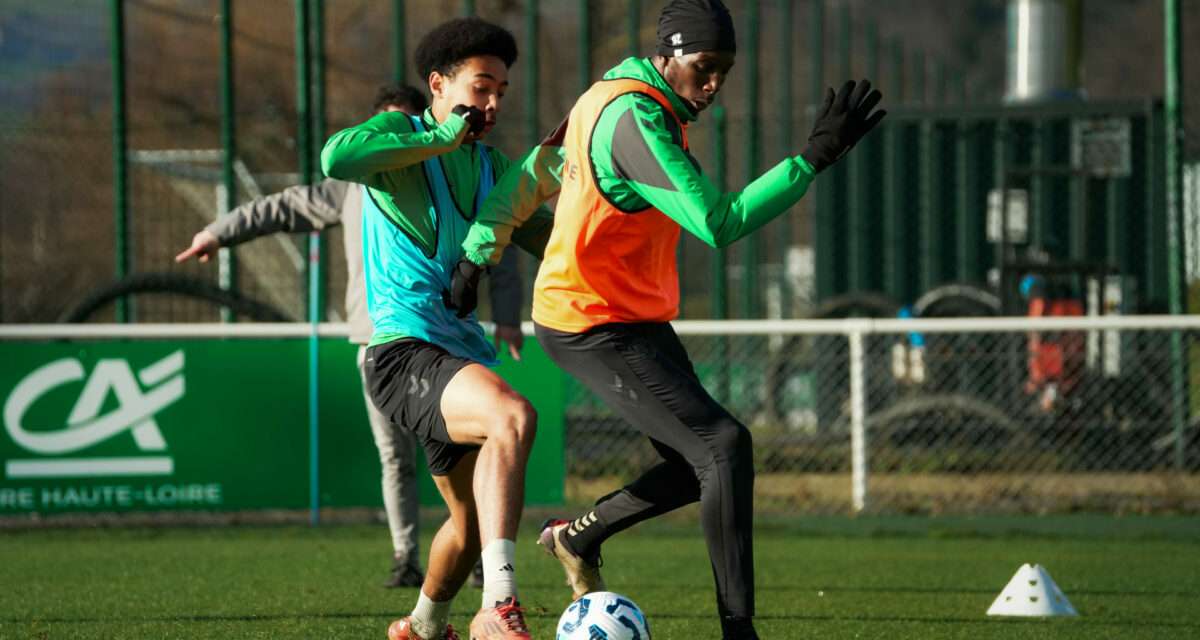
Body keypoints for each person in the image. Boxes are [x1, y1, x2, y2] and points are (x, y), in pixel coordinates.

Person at [451, 1, 885, 639]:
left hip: (630, 316)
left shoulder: (611, 92)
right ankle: (738, 629)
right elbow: (719, 221)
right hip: (585, 319)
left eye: (724, 72)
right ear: (668, 56)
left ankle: (578, 537)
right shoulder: (635, 121)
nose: (712, 84)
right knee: (725, 445)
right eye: (703, 67)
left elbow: (534, 171)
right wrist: (811, 159)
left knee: (699, 463)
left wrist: (477, 256)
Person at [175, 83, 524, 592]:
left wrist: (510, 316)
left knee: (468, 447)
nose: (391, 140)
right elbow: (282, 207)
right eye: (380, 130)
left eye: (401, 128)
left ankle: (470, 551)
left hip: (448, 342)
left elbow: (505, 238)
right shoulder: (352, 183)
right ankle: (407, 555)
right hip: (383, 346)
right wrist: (217, 232)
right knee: (394, 457)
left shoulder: (460, 170)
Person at [321, 17, 553, 640]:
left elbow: (549, 236)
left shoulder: (490, 167)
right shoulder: (403, 134)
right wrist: (446, 136)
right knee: (515, 417)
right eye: (481, 88)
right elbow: (336, 155)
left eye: (502, 91)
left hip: (455, 357)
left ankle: (424, 626)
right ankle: (500, 604)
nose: (493, 103)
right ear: (438, 84)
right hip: (400, 351)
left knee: (472, 526)